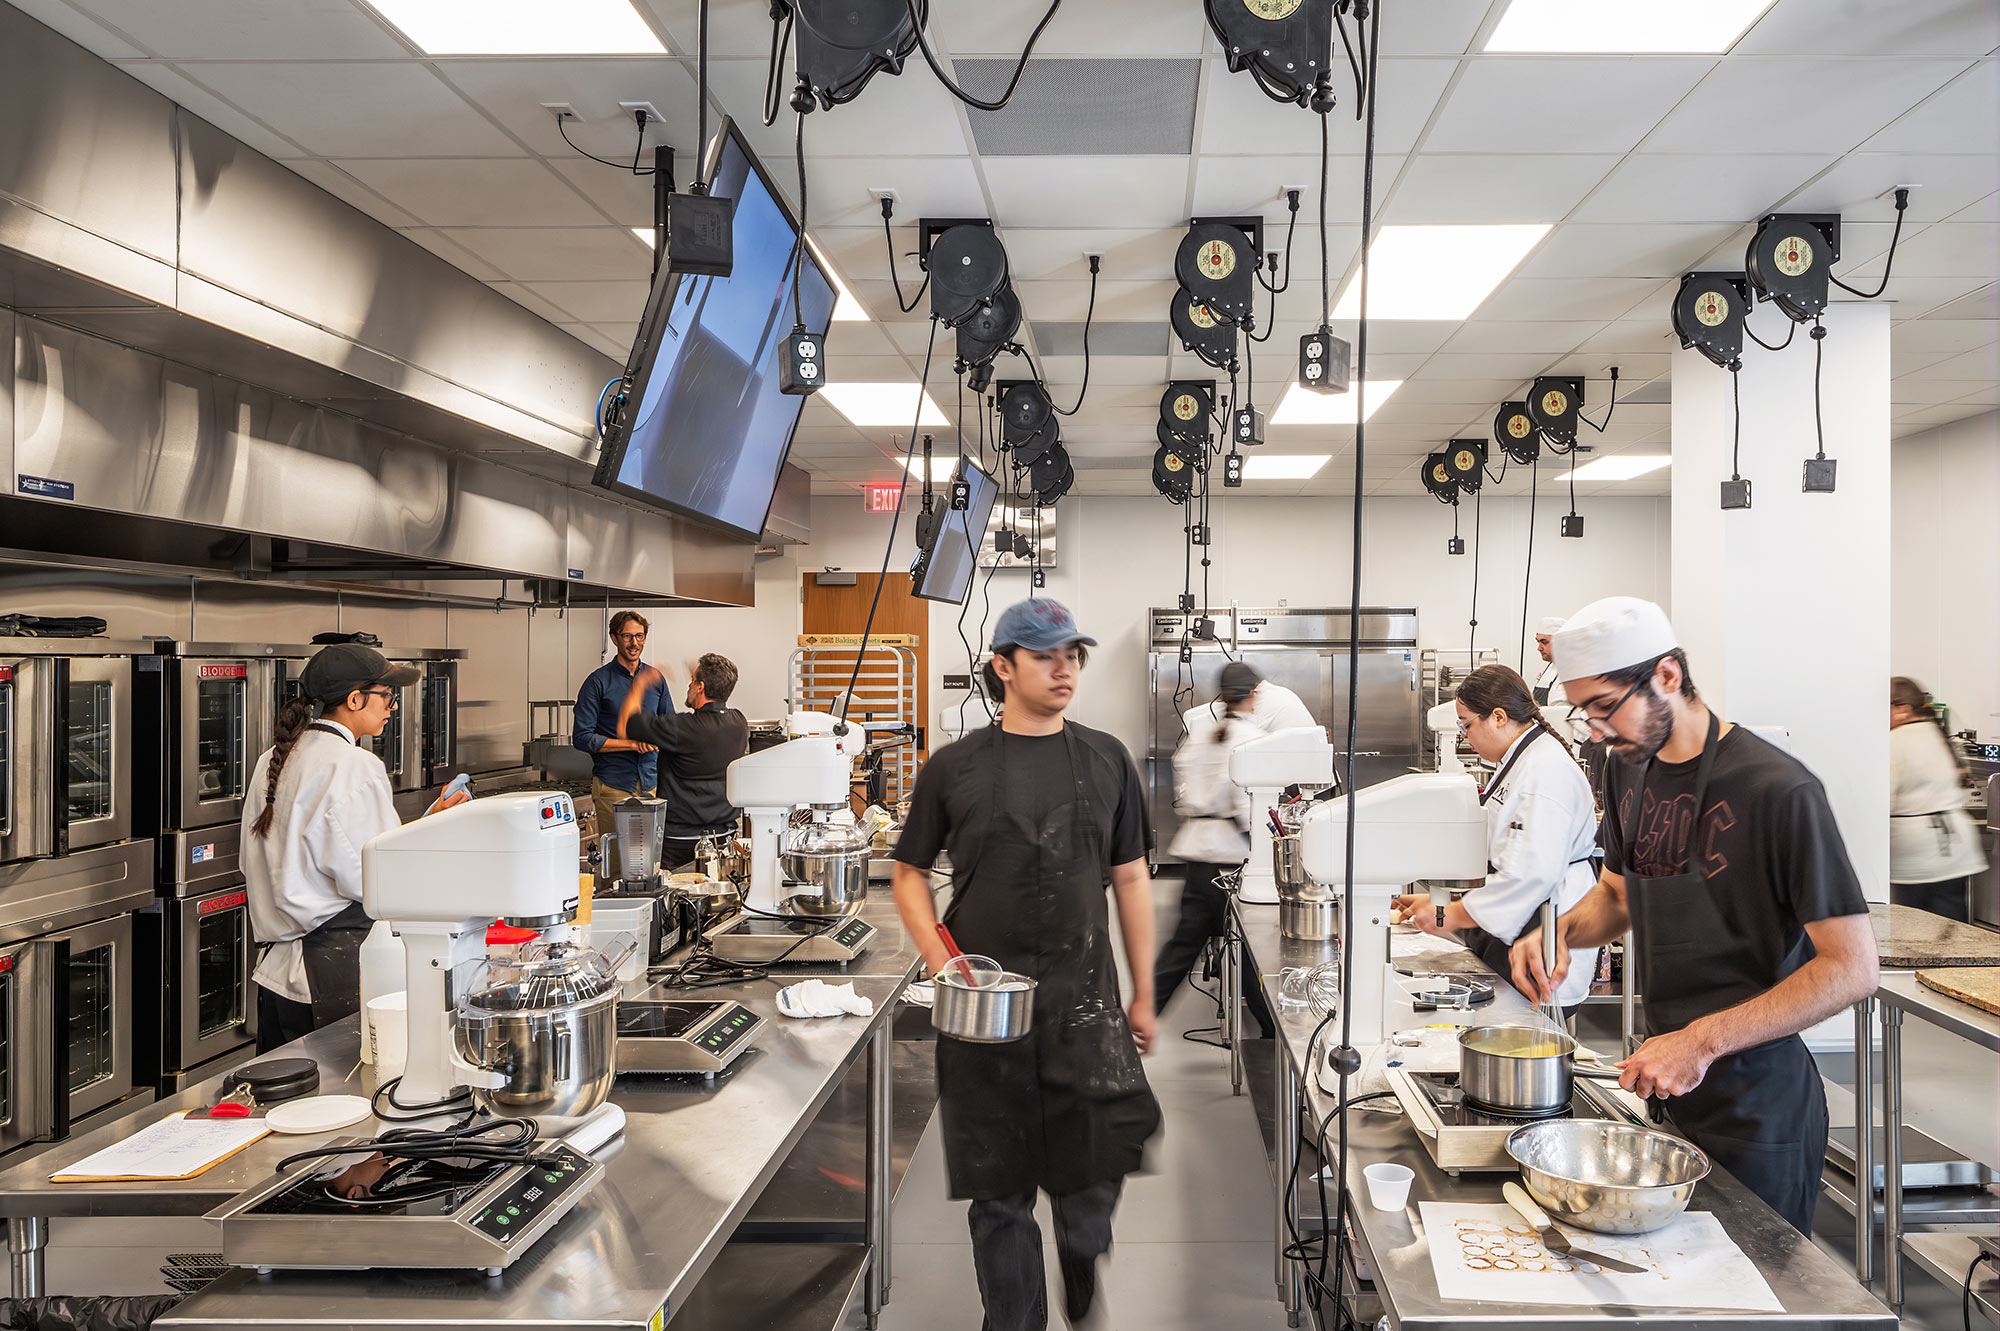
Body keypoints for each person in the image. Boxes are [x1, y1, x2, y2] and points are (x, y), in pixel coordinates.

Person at [1510, 597, 1877, 1233]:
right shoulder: (1630, 769)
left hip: (1757, 1100)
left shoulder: (1778, 791)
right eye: (1584, 712)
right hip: (1669, 1086)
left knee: (1754, 1295)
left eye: (1604, 707)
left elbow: (1852, 969)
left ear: (1668, 676)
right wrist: (1557, 933)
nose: (1595, 731)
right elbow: (1619, 898)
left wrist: (1702, 1041)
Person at [890, 597, 1161, 1331]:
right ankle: (1014, 1320)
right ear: (1002, 667)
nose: (1064, 666)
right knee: (999, 1192)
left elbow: (1131, 876)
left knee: (1096, 1169)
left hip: (1085, 1005)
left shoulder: (1106, 758)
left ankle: (1081, 1252)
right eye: (1046, 655)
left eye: (1072, 653)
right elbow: (909, 873)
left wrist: (1142, 993)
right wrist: (944, 962)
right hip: (985, 1013)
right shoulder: (953, 767)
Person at [242, 644, 467, 1051]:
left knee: (286, 1105)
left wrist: (425, 824)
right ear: (354, 699)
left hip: (278, 976)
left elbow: (329, 855)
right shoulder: (353, 765)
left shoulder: (271, 761)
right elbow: (378, 883)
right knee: (342, 1098)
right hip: (330, 973)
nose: (392, 707)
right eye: (387, 695)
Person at [1392, 665, 1599, 1016]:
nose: (1463, 736)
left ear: (1499, 717)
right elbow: (1509, 858)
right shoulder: (1519, 762)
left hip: (1541, 934)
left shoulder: (1543, 770)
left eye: (1466, 725)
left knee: (1526, 1055)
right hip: (1515, 932)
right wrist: (1442, 898)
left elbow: (1530, 874)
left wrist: (1450, 914)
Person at [1154, 662, 1278, 1040]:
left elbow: (1185, 781)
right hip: (1229, 855)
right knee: (1246, 945)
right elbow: (1246, 804)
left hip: (1197, 850)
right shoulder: (1252, 737)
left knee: (1186, 946)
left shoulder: (1203, 734)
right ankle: (1274, 1030)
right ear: (1251, 693)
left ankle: (1143, 1012)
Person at [616, 653, 753, 868]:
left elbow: (627, 723)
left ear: (700, 687)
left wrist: (640, 684)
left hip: (681, 840)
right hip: (725, 836)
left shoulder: (681, 727)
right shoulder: (738, 722)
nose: (689, 686)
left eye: (692, 682)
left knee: (679, 897)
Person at [1889, 677, 1987, 921]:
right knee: (1952, 932)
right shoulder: (1937, 734)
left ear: (1902, 710)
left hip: (1916, 857)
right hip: (1956, 850)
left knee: (1913, 937)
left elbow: (1881, 801)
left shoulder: (1894, 742)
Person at [573, 611, 673, 834]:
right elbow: (581, 738)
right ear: (614, 638)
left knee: (651, 861)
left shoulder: (655, 678)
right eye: (627, 636)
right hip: (614, 785)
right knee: (619, 862)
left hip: (652, 783)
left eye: (639, 636)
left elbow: (669, 725)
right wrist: (632, 745)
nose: (634, 643)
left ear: (645, 638)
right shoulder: (597, 682)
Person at [1189, 659, 1314, 734]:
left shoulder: (1261, 701)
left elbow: (1244, 741)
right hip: (1313, 764)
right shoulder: (1278, 692)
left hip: (1300, 769)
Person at [1530, 616, 1565, 704]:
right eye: (1538, 642)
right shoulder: (1545, 667)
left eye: (1544, 642)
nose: (1539, 648)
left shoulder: (1573, 670)